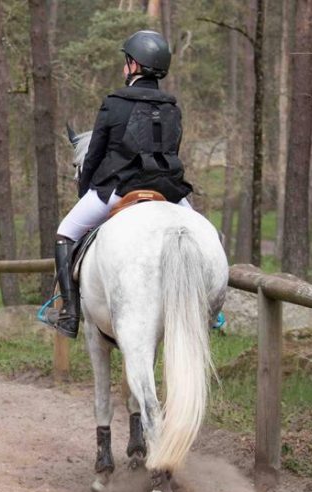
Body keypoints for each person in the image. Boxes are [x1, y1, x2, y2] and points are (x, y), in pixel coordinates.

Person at [43, 30, 193, 339]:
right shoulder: (172, 107)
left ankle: (70, 314)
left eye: (127, 62)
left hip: (119, 189)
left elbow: (95, 153)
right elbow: (171, 152)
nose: (124, 68)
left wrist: (86, 190)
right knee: (203, 234)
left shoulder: (114, 102)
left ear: (135, 65)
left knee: (65, 232)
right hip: (169, 192)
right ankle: (212, 310)